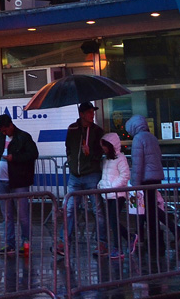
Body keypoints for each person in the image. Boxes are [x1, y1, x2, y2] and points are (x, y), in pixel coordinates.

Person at [59, 102, 105, 256]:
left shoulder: (97, 131)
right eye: (89, 112)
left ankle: (102, 243)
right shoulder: (72, 129)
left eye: (93, 112)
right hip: (75, 175)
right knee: (70, 208)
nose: (92, 115)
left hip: (91, 174)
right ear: (82, 114)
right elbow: (68, 147)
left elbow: (101, 151)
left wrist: (90, 153)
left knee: (97, 209)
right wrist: (72, 160)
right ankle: (64, 243)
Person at [0, 113, 37, 256]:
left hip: (19, 180)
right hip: (3, 180)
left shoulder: (23, 137)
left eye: (5, 130)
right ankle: (10, 244)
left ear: (11, 125)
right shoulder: (0, 136)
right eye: (2, 131)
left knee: (22, 215)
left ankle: (26, 242)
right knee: (7, 215)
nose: (3, 133)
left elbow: (33, 153)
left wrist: (14, 158)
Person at [126, 115, 165, 266]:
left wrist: (135, 184)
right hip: (155, 178)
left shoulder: (138, 139)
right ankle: (158, 240)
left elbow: (137, 164)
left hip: (144, 179)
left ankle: (154, 240)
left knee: (148, 211)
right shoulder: (152, 138)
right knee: (152, 211)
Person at [97, 133, 131, 256]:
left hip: (118, 194)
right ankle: (129, 238)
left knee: (113, 220)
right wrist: (102, 185)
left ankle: (118, 247)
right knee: (113, 220)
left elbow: (125, 175)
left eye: (105, 146)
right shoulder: (107, 159)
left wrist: (111, 187)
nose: (103, 148)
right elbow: (105, 176)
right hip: (109, 194)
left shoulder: (120, 158)